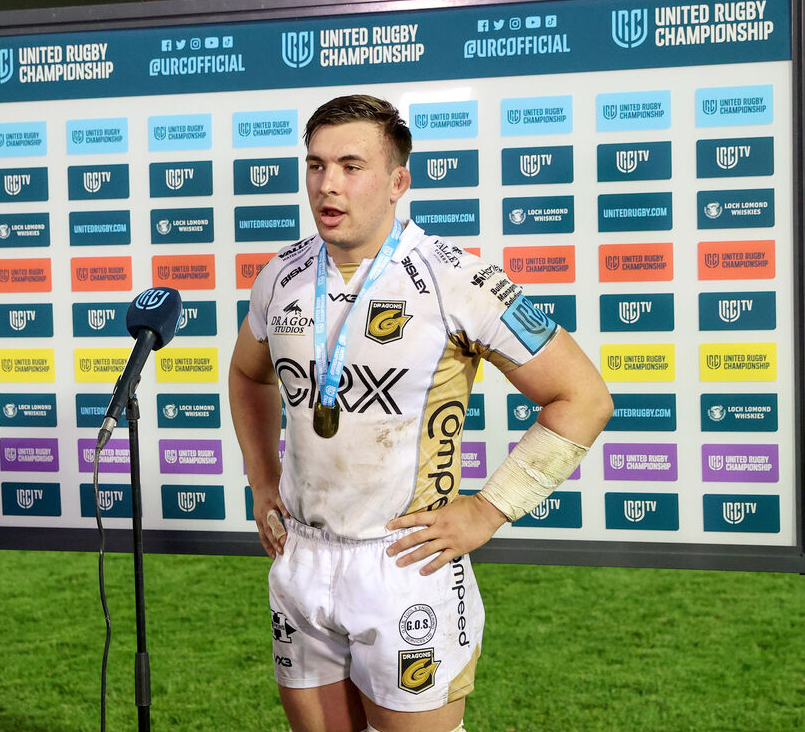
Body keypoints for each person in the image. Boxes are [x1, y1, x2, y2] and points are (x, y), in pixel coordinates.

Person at [229, 95, 613, 732]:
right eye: (316, 165)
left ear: (398, 181)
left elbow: (584, 398)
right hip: (302, 555)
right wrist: (261, 480)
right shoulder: (281, 275)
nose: (327, 184)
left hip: (405, 565)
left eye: (352, 166)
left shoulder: (455, 279)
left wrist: (488, 510)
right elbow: (247, 375)